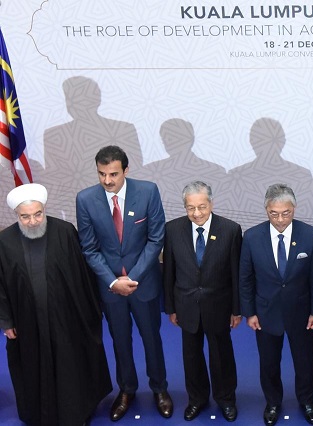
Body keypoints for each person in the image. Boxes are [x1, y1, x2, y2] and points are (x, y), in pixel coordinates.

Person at [0, 183, 112, 425]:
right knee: (33, 366)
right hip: (27, 320)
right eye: (25, 216)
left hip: (66, 317)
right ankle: (40, 414)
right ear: (16, 215)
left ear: (44, 209)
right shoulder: (4, 241)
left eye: (37, 214)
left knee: (70, 364)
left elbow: (83, 276)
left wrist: (90, 312)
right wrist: (6, 321)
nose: (32, 221)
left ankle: (76, 412)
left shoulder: (64, 231)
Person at [76, 145, 173, 421]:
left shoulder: (148, 192)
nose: (107, 180)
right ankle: (126, 389)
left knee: (152, 339)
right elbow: (89, 248)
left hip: (143, 285)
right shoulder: (85, 199)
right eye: (102, 174)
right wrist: (111, 282)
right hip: (111, 290)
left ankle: (160, 388)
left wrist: (133, 277)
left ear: (126, 171)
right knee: (120, 341)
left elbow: (156, 239)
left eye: (114, 174)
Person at [239, 183, 313, 426]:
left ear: (294, 209)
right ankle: (273, 402)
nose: (279, 219)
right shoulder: (252, 236)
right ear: (266, 209)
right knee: (268, 363)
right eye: (273, 213)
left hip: (301, 313)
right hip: (265, 313)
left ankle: (307, 400)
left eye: (285, 213)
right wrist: (249, 312)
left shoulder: (310, 235)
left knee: (305, 362)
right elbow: (245, 278)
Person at [163, 181, 242, 422]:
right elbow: (169, 272)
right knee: (191, 356)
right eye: (190, 208)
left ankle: (226, 399)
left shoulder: (230, 229)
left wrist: (237, 310)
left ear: (211, 203)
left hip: (219, 306)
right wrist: (170, 308)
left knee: (221, 356)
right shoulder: (173, 229)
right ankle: (196, 399)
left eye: (202, 207)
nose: (196, 213)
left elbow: (236, 274)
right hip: (186, 306)